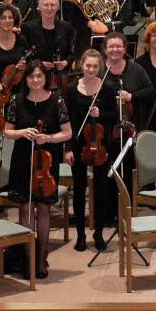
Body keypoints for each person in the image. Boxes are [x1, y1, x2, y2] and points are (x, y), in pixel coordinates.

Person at [2, 59, 72, 279]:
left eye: (39, 76)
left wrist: (48, 138)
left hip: (47, 162)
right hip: (22, 160)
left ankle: (41, 258)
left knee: (43, 209)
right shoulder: (16, 100)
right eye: (31, 76)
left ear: (46, 78)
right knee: (25, 209)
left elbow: (67, 133)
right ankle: (28, 258)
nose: (35, 80)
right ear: (26, 79)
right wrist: (22, 132)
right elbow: (7, 131)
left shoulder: (56, 101)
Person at [63, 49, 117, 251]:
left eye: (95, 66)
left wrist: (100, 113)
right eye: (88, 66)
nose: (91, 69)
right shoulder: (71, 88)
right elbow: (66, 120)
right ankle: (80, 235)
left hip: (101, 145)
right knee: (79, 189)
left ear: (100, 67)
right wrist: (67, 148)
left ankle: (98, 233)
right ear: (81, 65)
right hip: (79, 144)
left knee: (101, 189)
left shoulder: (107, 87)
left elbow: (114, 116)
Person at [21, 0, 75, 91]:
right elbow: (23, 55)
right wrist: (38, 64)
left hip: (59, 80)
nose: (49, 8)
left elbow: (71, 53)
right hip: (35, 78)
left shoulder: (66, 27)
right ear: (39, 7)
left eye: (53, 5)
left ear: (58, 7)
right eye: (46, 5)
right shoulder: (28, 28)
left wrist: (66, 62)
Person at [102, 33, 153, 138]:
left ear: (125, 49)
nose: (115, 49)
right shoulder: (99, 70)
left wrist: (131, 96)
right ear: (105, 49)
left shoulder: (136, 69)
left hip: (134, 125)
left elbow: (150, 91)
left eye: (119, 46)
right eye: (111, 46)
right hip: (106, 128)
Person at [0, 2, 28, 68]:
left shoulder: (21, 40)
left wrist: (24, 66)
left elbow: (28, 64)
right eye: (3, 18)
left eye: (10, 17)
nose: (7, 21)